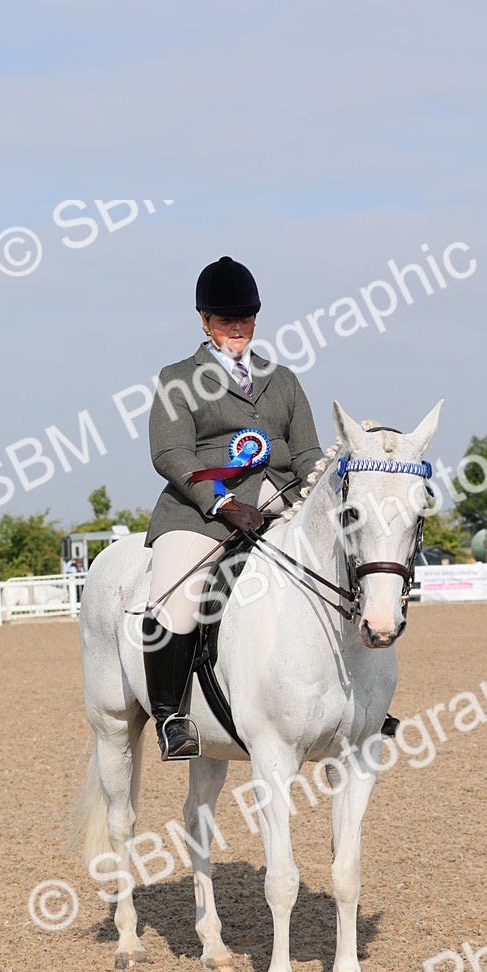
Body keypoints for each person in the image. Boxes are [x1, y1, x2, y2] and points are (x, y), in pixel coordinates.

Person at [143, 256, 323, 759]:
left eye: (244, 319)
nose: (236, 328)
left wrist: (316, 497)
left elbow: (307, 452)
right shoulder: (177, 378)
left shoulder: (281, 379)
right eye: (225, 320)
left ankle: (355, 703)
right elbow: (170, 453)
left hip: (280, 498)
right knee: (178, 593)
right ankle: (170, 717)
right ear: (204, 321)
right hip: (200, 507)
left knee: (337, 565)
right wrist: (223, 502)